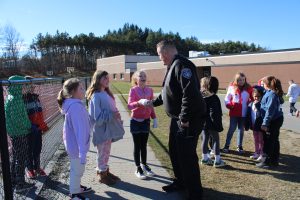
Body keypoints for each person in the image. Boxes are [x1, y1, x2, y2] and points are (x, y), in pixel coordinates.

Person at [140, 40, 206, 200]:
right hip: (176, 119)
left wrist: (184, 118)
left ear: (166, 53)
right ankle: (181, 182)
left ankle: (195, 193)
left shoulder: (183, 65)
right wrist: (152, 103)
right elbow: (166, 92)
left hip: (188, 119)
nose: (159, 58)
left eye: (159, 55)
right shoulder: (172, 66)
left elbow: (189, 94)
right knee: (175, 152)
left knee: (187, 156)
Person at [86, 70, 124, 185]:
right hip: (101, 130)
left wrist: (117, 117)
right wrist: (112, 115)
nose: (107, 80)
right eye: (104, 78)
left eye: (108, 78)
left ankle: (105, 171)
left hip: (108, 129)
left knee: (107, 152)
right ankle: (102, 175)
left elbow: (112, 109)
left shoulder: (106, 93)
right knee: (102, 152)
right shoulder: (96, 96)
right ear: (97, 80)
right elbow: (97, 117)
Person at [58, 78, 92, 200]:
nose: (84, 90)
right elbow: (80, 131)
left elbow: (83, 125)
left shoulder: (75, 105)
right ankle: (74, 194)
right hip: (77, 146)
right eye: (81, 88)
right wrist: (82, 152)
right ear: (72, 92)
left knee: (77, 169)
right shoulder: (76, 108)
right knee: (77, 170)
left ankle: (77, 187)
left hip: (75, 145)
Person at [5, 75, 33, 192]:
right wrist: (28, 126)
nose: (23, 88)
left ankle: (13, 180)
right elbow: (20, 119)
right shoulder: (16, 99)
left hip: (14, 132)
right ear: (17, 86)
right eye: (21, 85)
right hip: (19, 133)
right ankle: (20, 184)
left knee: (16, 157)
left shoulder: (11, 97)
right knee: (20, 158)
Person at [127, 70, 158, 179]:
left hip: (146, 121)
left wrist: (154, 118)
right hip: (135, 121)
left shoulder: (150, 90)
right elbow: (129, 106)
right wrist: (139, 103)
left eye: (144, 75)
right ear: (136, 79)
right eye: (140, 76)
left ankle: (144, 165)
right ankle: (138, 168)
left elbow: (151, 106)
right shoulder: (133, 90)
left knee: (144, 145)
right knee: (137, 146)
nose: (143, 77)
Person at [23, 76, 49, 178]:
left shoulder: (36, 98)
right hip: (29, 130)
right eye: (29, 85)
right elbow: (24, 116)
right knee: (29, 149)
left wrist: (42, 125)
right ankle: (29, 169)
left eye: (32, 84)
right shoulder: (23, 99)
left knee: (37, 148)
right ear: (24, 86)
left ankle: (37, 167)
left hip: (38, 128)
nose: (32, 87)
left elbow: (40, 114)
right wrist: (31, 126)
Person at [256, 76, 284, 168]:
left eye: (263, 83)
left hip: (273, 120)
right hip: (275, 119)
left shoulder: (271, 94)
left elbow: (270, 111)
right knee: (274, 140)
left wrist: (265, 123)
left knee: (270, 141)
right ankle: (274, 161)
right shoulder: (269, 92)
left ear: (267, 84)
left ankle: (267, 162)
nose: (261, 85)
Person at [223, 72, 253, 154]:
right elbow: (227, 98)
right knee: (231, 129)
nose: (241, 81)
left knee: (241, 130)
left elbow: (253, 98)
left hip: (244, 113)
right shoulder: (232, 87)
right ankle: (226, 145)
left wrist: (249, 105)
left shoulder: (249, 88)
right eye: (239, 80)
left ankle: (239, 146)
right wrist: (229, 105)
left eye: (243, 80)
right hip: (234, 112)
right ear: (236, 80)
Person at [200, 76, 225, 167]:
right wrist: (218, 125)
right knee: (216, 140)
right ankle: (217, 160)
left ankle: (204, 158)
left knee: (204, 139)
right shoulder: (213, 98)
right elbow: (214, 113)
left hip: (202, 122)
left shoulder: (201, 96)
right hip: (211, 123)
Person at [245, 86, 265, 162]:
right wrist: (247, 124)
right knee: (256, 139)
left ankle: (261, 153)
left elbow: (261, 114)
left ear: (261, 96)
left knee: (261, 140)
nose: (256, 98)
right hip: (253, 125)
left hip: (259, 125)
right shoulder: (251, 104)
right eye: (255, 96)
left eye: (258, 96)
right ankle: (256, 152)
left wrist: (257, 105)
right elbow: (248, 115)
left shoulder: (261, 104)